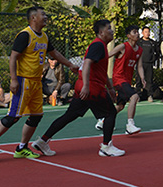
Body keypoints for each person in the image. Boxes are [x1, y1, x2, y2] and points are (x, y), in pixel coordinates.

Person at [0, 6, 77, 163]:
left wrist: (70, 64)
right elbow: (13, 57)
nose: (46, 16)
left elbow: (55, 53)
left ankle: (22, 148)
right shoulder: (25, 35)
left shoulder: (44, 36)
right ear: (33, 18)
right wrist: (13, 79)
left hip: (36, 82)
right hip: (23, 80)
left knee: (36, 115)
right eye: (42, 14)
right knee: (13, 116)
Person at [31, 19, 126, 158]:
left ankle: (43, 141)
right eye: (109, 29)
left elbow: (99, 70)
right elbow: (86, 64)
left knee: (70, 115)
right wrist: (87, 86)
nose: (112, 31)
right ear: (101, 32)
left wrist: (110, 88)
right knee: (110, 113)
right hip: (92, 87)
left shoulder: (100, 46)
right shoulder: (98, 45)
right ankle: (106, 146)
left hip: (85, 86)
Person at [97, 24, 147, 135]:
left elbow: (139, 66)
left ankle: (103, 121)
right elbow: (107, 55)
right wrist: (96, 63)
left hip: (127, 80)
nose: (137, 34)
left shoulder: (139, 50)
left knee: (120, 106)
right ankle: (130, 125)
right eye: (134, 32)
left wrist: (142, 78)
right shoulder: (123, 47)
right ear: (128, 35)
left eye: (137, 31)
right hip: (118, 78)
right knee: (134, 96)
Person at [139, 26, 158, 100]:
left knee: (149, 80)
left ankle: (149, 95)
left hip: (149, 64)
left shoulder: (152, 43)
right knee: (139, 80)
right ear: (142, 33)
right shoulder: (139, 42)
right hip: (140, 64)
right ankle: (138, 95)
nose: (147, 33)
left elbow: (157, 53)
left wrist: (153, 60)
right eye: (146, 32)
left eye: (148, 32)